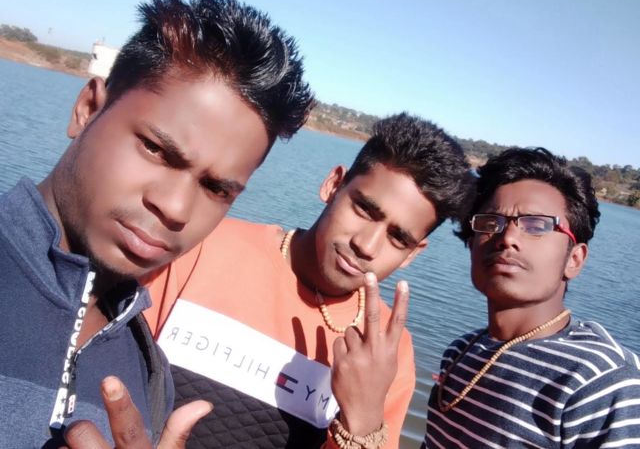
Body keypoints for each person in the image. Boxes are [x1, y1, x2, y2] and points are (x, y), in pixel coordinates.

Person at [0, 0, 313, 448]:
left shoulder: (150, 373)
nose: (177, 208)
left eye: (217, 189)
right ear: (88, 110)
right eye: (155, 149)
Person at [142, 112, 476, 448]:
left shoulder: (388, 351)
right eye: (364, 209)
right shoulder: (203, 247)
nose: (367, 245)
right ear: (333, 185)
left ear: (412, 254)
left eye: (397, 238)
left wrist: (363, 422)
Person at [423, 147, 640, 447]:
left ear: (574, 259)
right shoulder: (460, 352)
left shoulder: (600, 379)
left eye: (536, 225)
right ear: (471, 244)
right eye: (490, 222)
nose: (508, 238)